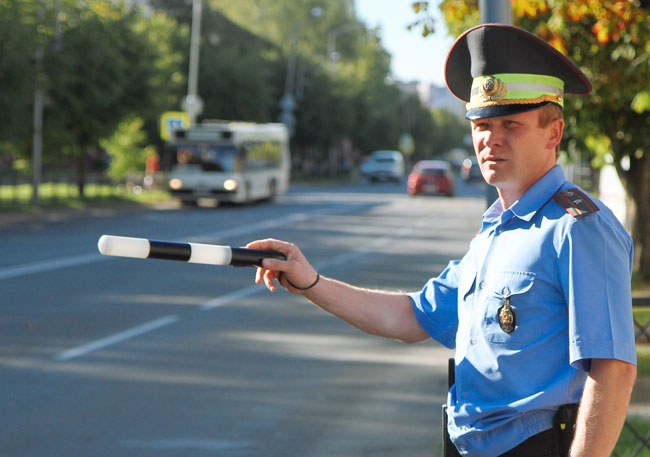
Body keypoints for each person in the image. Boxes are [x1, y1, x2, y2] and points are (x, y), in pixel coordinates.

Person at [247, 24, 637, 457]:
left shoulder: (578, 227)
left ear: (554, 132)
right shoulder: (496, 229)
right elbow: (413, 316)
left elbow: (614, 368)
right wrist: (311, 281)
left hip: (534, 445)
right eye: (482, 123)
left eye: (512, 123)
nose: (492, 138)